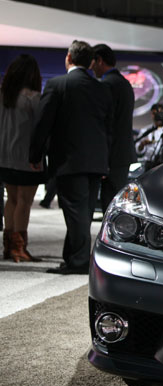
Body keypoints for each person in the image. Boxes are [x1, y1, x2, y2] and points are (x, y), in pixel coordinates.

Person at [29, 40, 113, 274]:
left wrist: (35, 154)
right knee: (83, 214)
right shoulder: (102, 89)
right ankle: (73, 258)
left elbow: (43, 123)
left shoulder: (58, 84)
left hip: (70, 161)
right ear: (89, 62)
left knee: (76, 214)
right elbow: (109, 129)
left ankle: (78, 262)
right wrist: (105, 162)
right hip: (96, 161)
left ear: (68, 58)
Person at [0, 54, 45, 262]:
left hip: (5, 157)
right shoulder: (33, 98)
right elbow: (41, 130)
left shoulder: (4, 95)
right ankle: (19, 247)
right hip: (28, 158)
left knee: (12, 199)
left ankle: (9, 245)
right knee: (24, 201)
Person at [91, 44, 136, 213]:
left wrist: (104, 159)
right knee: (116, 203)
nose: (91, 67)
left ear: (100, 61)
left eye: (92, 62)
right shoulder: (124, 83)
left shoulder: (106, 85)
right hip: (122, 155)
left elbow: (107, 124)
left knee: (109, 206)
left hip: (111, 156)